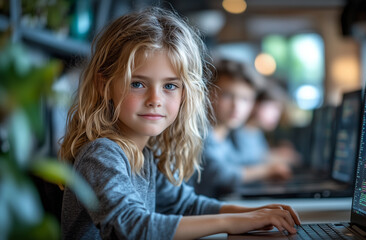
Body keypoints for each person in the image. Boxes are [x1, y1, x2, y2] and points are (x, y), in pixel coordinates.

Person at [59, 7, 300, 240]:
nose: (155, 100)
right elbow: (131, 228)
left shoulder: (146, 154)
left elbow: (186, 204)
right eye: (138, 84)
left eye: (170, 86)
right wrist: (233, 222)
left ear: (185, 93)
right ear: (105, 86)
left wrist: (253, 213)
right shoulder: (102, 154)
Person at [188, 59, 292, 199]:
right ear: (207, 93)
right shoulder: (198, 133)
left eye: (245, 99)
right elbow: (221, 174)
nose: (236, 106)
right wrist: (266, 170)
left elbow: (240, 163)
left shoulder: (224, 138)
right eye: (227, 95)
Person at [233, 79, 301, 168]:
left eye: (279, 110)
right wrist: (278, 157)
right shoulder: (238, 131)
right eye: (273, 108)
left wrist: (276, 153)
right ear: (255, 104)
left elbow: (256, 155)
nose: (277, 115)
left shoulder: (255, 132)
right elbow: (246, 163)